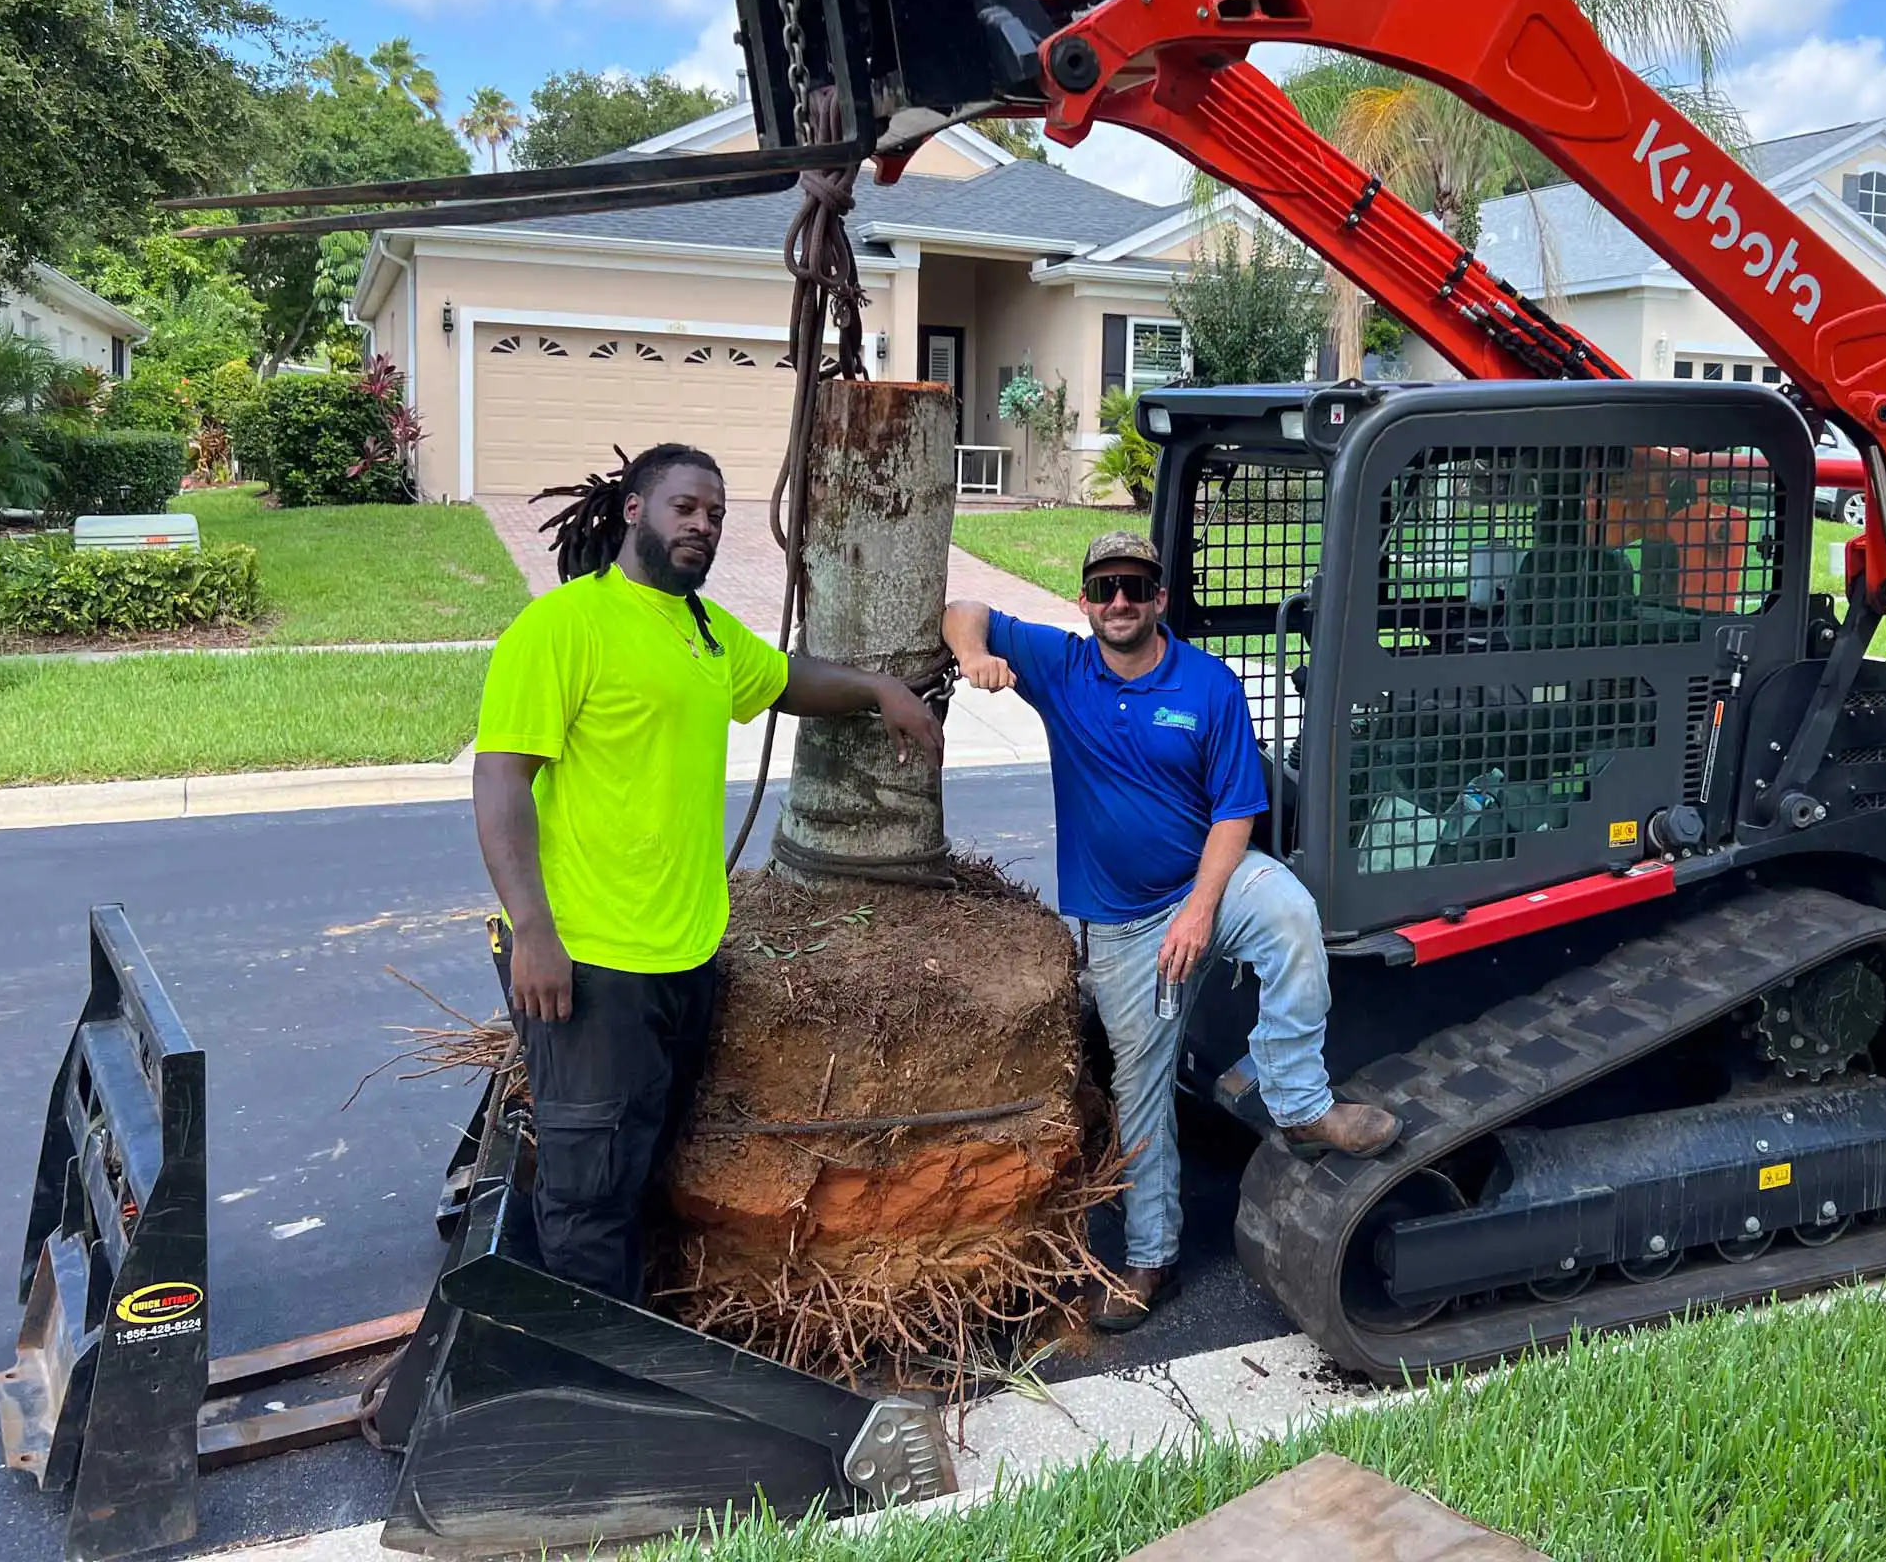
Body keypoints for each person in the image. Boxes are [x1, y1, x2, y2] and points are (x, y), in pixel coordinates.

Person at [472, 442, 943, 1301]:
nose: (703, 526)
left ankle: (629, 1344)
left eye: (717, 514)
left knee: (638, 1161)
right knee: (588, 1192)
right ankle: (593, 1389)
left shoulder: (702, 630)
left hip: (683, 957)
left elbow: (786, 678)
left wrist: (879, 689)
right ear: (633, 511)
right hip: (590, 959)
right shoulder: (564, 626)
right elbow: (501, 777)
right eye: (685, 507)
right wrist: (535, 934)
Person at [942, 530, 1397, 1331]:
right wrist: (975, 653)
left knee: (1289, 913)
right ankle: (1151, 1257)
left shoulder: (1209, 685)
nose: (1120, 600)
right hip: (1120, 925)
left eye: (1135, 587)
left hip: (1210, 887)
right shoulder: (1060, 665)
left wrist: (1198, 908)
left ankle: (1298, 1101)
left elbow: (1237, 810)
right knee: (1140, 1092)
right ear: (1085, 602)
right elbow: (963, 608)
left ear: (1159, 600)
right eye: (1105, 587)